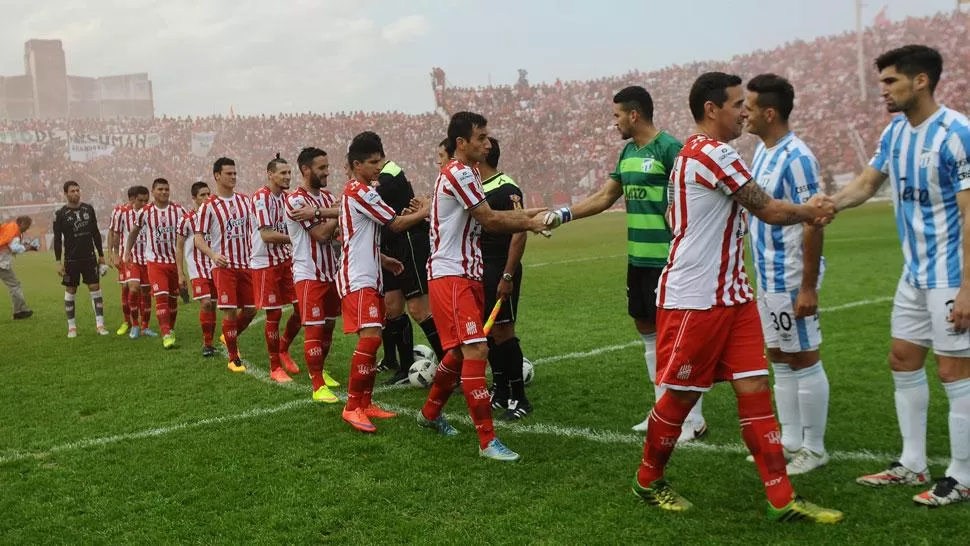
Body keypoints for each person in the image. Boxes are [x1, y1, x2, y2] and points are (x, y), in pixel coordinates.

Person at [624, 72, 842, 522]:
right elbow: (768, 208)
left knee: (756, 387)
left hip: (733, 294)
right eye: (737, 104)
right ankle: (648, 479)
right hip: (695, 298)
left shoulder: (701, 154)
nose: (745, 111)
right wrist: (812, 211)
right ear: (711, 109)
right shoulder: (711, 152)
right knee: (681, 397)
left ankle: (782, 498)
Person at [828, 45, 970, 507]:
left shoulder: (957, 133)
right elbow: (867, 183)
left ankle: (963, 475)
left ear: (921, 80)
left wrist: (969, 286)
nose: (883, 90)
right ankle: (912, 463)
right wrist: (828, 205)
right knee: (902, 359)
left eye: (890, 81)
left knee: (954, 371)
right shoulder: (895, 133)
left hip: (951, 274)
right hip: (914, 274)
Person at [542, 86, 706, 439]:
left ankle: (692, 420)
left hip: (668, 259)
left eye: (617, 115)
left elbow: (692, 197)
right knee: (646, 331)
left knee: (672, 339)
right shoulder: (628, 151)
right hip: (638, 258)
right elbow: (605, 196)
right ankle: (662, 412)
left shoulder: (670, 148)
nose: (613, 122)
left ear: (634, 114)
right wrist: (564, 215)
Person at [417, 111, 548, 461]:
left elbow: (493, 213)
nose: (488, 144)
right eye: (481, 138)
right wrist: (532, 221)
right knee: (476, 352)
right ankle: (488, 441)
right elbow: (490, 220)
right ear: (462, 143)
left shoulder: (467, 172)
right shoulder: (459, 172)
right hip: (453, 276)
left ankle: (429, 414)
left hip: (463, 275)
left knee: (459, 353)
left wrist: (539, 213)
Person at [744, 73, 830, 475]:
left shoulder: (797, 157)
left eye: (749, 107)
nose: (743, 113)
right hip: (768, 275)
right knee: (779, 355)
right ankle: (791, 439)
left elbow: (814, 221)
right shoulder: (763, 151)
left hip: (792, 275)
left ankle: (814, 447)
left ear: (769, 112)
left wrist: (808, 287)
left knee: (804, 357)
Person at [336, 134, 430, 433]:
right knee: (371, 339)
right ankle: (352, 407)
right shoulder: (361, 191)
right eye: (373, 162)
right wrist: (428, 209)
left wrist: (383, 259)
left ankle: (364, 403)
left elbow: (360, 235)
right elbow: (396, 224)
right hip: (358, 277)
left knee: (374, 338)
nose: (379, 166)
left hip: (369, 272)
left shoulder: (359, 190)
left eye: (381, 160)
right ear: (357, 164)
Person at [353, 131, 444, 386]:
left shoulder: (390, 176)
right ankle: (404, 367)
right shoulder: (377, 179)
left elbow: (371, 209)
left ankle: (450, 366)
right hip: (391, 247)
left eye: (372, 162)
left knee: (418, 309)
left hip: (409, 243)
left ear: (377, 158)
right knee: (392, 307)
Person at [478, 137, 531, 419]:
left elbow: (519, 231)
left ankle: (519, 398)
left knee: (503, 331)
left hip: (501, 267)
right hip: (481, 268)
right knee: (488, 332)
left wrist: (508, 275)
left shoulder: (505, 187)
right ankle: (499, 391)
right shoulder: (475, 188)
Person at [284, 146, 342, 402]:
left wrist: (336, 214)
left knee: (329, 326)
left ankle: (321, 370)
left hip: (331, 272)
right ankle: (317, 385)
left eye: (327, 167)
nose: (327, 172)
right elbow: (319, 234)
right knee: (315, 330)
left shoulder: (328, 197)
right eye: (321, 168)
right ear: (306, 170)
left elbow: (337, 233)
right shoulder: (296, 200)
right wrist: (336, 214)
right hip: (309, 274)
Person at [195, 157, 258, 373]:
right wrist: (213, 254)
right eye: (228, 174)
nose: (233, 177)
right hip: (224, 267)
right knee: (229, 310)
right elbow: (198, 238)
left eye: (235, 173)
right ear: (217, 176)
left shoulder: (245, 201)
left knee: (251, 310)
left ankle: (227, 336)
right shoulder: (208, 207)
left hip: (246, 264)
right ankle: (233, 358)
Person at [251, 155, 303, 383]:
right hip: (265, 263)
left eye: (289, 173)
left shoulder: (288, 198)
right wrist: (295, 238)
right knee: (274, 313)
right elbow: (266, 235)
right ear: (270, 174)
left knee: (302, 309)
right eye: (283, 173)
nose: (287, 177)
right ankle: (274, 367)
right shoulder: (261, 197)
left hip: (286, 261)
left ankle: (283, 348)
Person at [125, 178, 187, 349]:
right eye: (160, 189)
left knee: (173, 299)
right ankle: (165, 333)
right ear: (153, 191)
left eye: (166, 189)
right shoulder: (145, 212)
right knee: (161, 297)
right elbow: (133, 233)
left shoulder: (179, 210)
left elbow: (190, 231)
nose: (164, 192)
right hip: (155, 262)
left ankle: (171, 329)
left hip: (174, 262)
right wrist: (126, 252)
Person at [53, 181, 108, 338]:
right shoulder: (60, 214)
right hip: (71, 259)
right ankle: (72, 328)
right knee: (71, 290)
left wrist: (101, 256)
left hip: (89, 257)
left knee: (95, 287)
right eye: (72, 191)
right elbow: (57, 240)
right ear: (65, 193)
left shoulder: (88, 209)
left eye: (78, 190)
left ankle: (100, 325)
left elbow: (95, 233)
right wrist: (58, 262)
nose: (76, 193)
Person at [177, 181, 218, 357]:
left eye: (208, 194)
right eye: (202, 195)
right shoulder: (186, 220)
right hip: (197, 268)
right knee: (206, 302)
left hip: (216, 265)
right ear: (194, 198)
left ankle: (210, 342)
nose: (207, 198)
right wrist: (180, 272)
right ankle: (207, 344)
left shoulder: (216, 215)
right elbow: (179, 247)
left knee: (214, 305)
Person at [115, 186, 155, 339]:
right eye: (140, 200)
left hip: (149, 258)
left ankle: (145, 326)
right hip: (131, 258)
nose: (144, 203)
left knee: (146, 292)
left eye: (146, 200)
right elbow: (116, 233)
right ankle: (135, 325)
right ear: (132, 200)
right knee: (133, 288)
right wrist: (115, 253)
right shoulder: (123, 213)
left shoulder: (151, 212)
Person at [107, 195, 134, 335]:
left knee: (140, 290)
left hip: (143, 256)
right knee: (126, 287)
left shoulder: (146, 210)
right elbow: (112, 232)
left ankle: (140, 324)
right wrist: (112, 253)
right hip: (125, 257)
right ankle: (126, 321)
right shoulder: (119, 211)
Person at [0, 215, 37, 319]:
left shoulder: (9, 227)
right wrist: (27, 248)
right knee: (15, 285)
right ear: (22, 224)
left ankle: (19, 310)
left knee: (14, 285)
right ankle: (19, 311)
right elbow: (14, 247)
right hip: (1, 263)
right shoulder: (15, 232)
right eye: (28, 226)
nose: (28, 228)